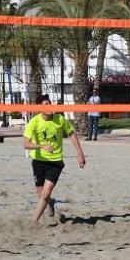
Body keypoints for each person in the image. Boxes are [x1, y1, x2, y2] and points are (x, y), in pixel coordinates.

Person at [23, 95, 86, 223]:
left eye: (50, 103)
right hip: (38, 162)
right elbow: (26, 144)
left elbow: (72, 134)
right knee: (42, 195)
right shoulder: (34, 122)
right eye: (46, 104)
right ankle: (51, 202)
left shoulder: (60, 120)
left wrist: (79, 152)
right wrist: (41, 146)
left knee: (45, 193)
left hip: (55, 162)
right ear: (40, 108)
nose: (50, 107)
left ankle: (33, 223)